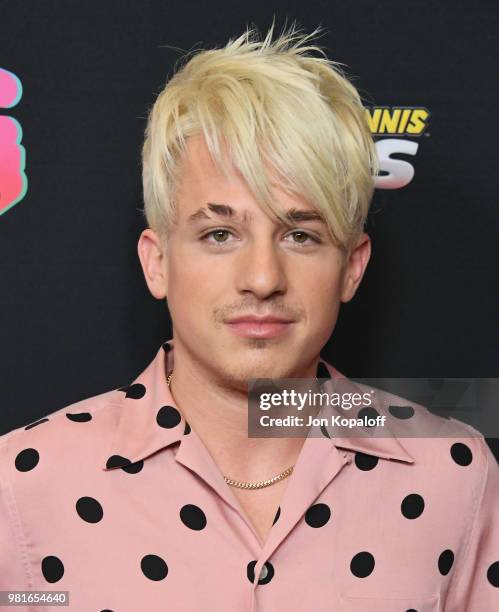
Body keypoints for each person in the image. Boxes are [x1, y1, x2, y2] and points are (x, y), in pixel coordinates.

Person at [0, 21, 497, 612]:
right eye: (219, 233)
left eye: (300, 235)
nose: (262, 278)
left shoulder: (453, 472)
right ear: (157, 263)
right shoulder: (22, 486)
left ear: (352, 267)